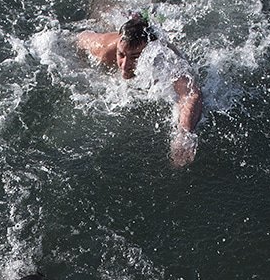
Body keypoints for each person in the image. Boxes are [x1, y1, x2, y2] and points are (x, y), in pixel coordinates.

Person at [77, 12, 203, 167]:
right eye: (121, 55)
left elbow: (191, 94)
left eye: (135, 57)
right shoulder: (105, 48)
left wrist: (183, 135)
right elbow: (80, 39)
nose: (124, 65)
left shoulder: (165, 60)